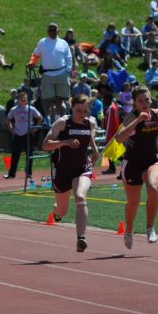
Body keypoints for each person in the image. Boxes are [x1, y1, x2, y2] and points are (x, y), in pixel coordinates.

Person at [114, 87, 158, 249]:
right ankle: (128, 230)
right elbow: (119, 138)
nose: (144, 103)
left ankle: (150, 228)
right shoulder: (132, 116)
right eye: (140, 101)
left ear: (151, 100)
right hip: (133, 163)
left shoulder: (156, 114)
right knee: (133, 203)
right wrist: (138, 122)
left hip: (153, 159)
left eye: (147, 100)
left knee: (152, 187)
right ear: (135, 104)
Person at [41, 94, 99, 252]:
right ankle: (56, 211)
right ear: (72, 108)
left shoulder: (90, 123)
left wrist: (95, 151)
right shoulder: (62, 123)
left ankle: (81, 239)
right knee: (62, 210)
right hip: (62, 171)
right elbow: (45, 145)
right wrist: (65, 142)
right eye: (78, 110)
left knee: (80, 197)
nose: (82, 113)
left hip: (82, 168)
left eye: (85, 110)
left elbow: (89, 137)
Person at [29, 22, 72, 122]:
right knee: (47, 98)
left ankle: (57, 117)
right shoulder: (42, 42)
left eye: (54, 30)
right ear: (47, 31)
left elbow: (68, 56)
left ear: (58, 31)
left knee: (59, 97)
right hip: (47, 74)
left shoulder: (63, 43)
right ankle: (47, 118)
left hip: (61, 72)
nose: (52, 32)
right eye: (50, 30)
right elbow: (35, 54)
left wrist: (68, 69)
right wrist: (32, 62)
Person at [5, 91, 43, 179]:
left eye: (25, 98)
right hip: (17, 134)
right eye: (22, 98)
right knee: (15, 155)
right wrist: (11, 129)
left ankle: (28, 173)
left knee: (29, 154)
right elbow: (8, 119)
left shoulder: (30, 108)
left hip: (28, 134)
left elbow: (40, 117)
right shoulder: (14, 109)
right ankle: (11, 174)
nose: (24, 100)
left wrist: (35, 128)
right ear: (17, 100)